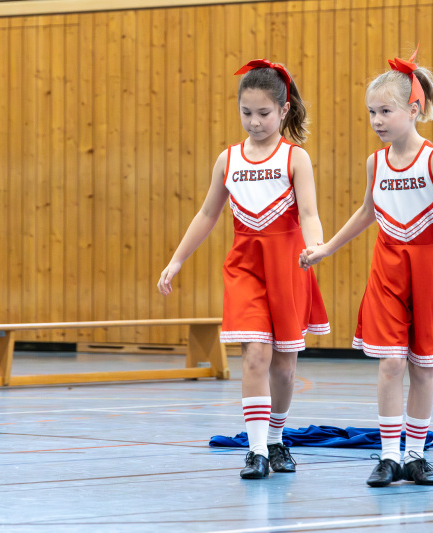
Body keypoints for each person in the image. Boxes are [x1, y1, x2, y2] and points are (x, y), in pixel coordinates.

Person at [300, 47, 433, 487]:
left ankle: (416, 456)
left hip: (430, 271)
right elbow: (367, 212)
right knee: (391, 363)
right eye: (372, 112)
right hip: (388, 270)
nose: (376, 120)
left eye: (385, 111)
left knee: (423, 367)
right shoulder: (375, 162)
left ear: (414, 110)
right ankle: (390, 456)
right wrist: (326, 248)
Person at [158, 59, 329, 480]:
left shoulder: (296, 158)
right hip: (245, 269)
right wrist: (177, 259)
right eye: (246, 112)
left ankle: (276, 438)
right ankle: (255, 451)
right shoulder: (228, 159)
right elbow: (207, 214)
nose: (254, 122)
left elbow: (309, 213)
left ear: (284, 110)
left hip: (288, 269)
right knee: (255, 355)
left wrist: (316, 246)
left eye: (264, 113)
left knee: (284, 367)